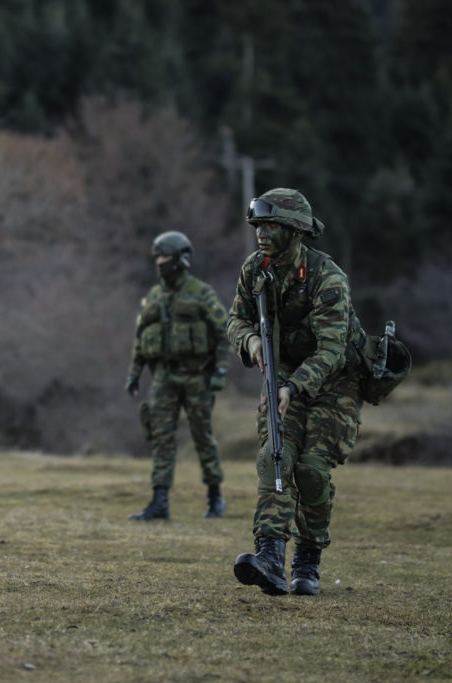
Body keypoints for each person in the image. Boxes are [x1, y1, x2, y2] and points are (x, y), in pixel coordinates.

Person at [226, 187, 363, 596]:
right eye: (258, 225)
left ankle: (308, 559)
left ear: (295, 230)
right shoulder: (255, 269)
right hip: (281, 377)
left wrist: (293, 386)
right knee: (275, 456)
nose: (262, 233)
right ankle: (269, 557)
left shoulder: (327, 276)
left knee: (311, 470)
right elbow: (236, 319)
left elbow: (333, 349)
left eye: (271, 225)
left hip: (334, 382)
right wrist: (250, 343)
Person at [125, 231, 230, 521]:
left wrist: (219, 371)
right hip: (163, 377)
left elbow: (225, 333)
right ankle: (159, 503)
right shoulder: (154, 297)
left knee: (202, 437)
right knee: (161, 438)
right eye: (157, 257)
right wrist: (134, 375)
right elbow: (141, 339)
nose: (159, 262)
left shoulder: (201, 293)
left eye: (165, 257)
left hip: (197, 376)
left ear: (181, 259)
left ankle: (215, 497)